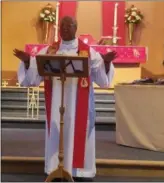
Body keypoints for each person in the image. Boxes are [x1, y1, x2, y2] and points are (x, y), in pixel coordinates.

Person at [13, 16, 116, 182]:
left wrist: (106, 63)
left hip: (78, 106)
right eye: (62, 26)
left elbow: (102, 80)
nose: (64, 29)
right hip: (56, 104)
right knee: (57, 131)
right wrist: (27, 62)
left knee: (77, 132)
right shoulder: (50, 51)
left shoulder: (88, 51)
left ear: (76, 28)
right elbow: (34, 74)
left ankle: (79, 172)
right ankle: (56, 168)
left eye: (68, 26)